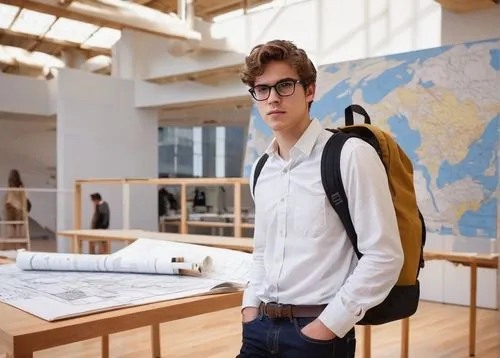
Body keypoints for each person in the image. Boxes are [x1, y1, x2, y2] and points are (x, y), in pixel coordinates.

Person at [237, 40, 404, 357]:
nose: (272, 98)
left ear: (309, 90)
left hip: (316, 334)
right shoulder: (262, 168)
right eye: (262, 89)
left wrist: (327, 326)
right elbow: (262, 251)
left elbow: (384, 255)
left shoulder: (350, 155)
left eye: (284, 85)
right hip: (258, 330)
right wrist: (249, 308)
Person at [2, 169, 29, 242]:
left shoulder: (11, 186)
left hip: (11, 205)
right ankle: (18, 237)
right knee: (18, 222)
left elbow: (9, 197)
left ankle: (12, 236)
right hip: (17, 206)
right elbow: (23, 196)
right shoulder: (20, 187)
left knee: (12, 222)